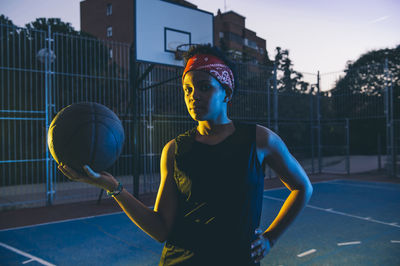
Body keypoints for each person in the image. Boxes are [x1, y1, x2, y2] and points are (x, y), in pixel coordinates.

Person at [58, 44, 313, 265]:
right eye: (188, 89)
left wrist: (270, 237)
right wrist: (113, 187)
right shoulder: (175, 150)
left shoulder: (259, 140)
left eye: (204, 87)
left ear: (227, 92)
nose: (194, 96)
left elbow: (302, 188)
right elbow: (161, 229)